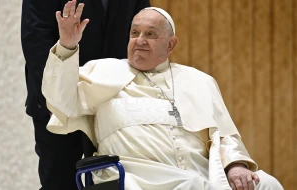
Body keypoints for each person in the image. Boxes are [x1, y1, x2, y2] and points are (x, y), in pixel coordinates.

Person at [41, 2, 283, 190]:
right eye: (135, 33)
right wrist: (67, 46)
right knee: (192, 186)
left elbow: (224, 134)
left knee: (267, 184)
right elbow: (61, 101)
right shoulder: (102, 72)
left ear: (170, 44)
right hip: (139, 175)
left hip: (203, 172)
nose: (140, 41)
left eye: (150, 34)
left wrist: (236, 165)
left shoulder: (199, 81)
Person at [21, 0, 150, 189]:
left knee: (112, 179)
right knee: (59, 180)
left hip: (114, 100)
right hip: (57, 105)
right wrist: (53, 98)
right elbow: (35, 38)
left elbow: (144, 22)